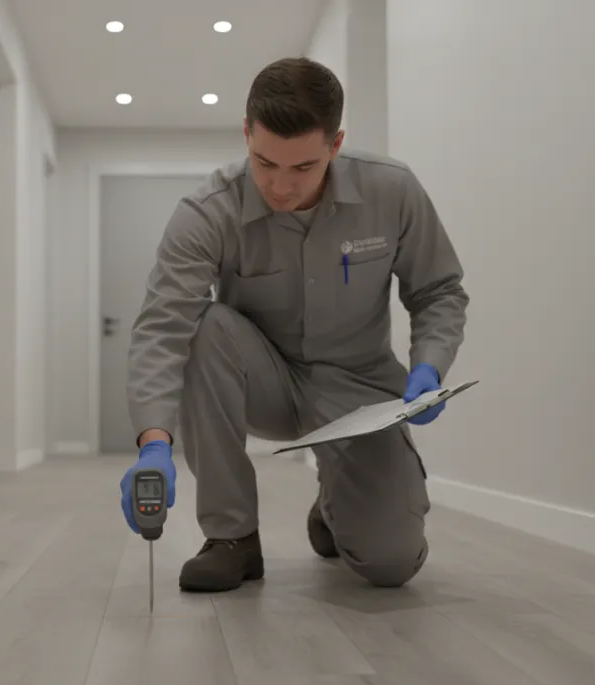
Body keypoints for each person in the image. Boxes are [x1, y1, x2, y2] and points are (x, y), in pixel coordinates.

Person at [119, 56, 469, 592]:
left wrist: (429, 366)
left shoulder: (392, 191)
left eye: (302, 167)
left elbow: (438, 290)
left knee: (390, 564)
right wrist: (154, 443)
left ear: (335, 143)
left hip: (360, 394)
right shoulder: (207, 212)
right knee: (204, 325)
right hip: (266, 382)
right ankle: (232, 537)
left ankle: (335, 504)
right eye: (264, 162)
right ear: (245, 134)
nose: (280, 187)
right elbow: (162, 330)